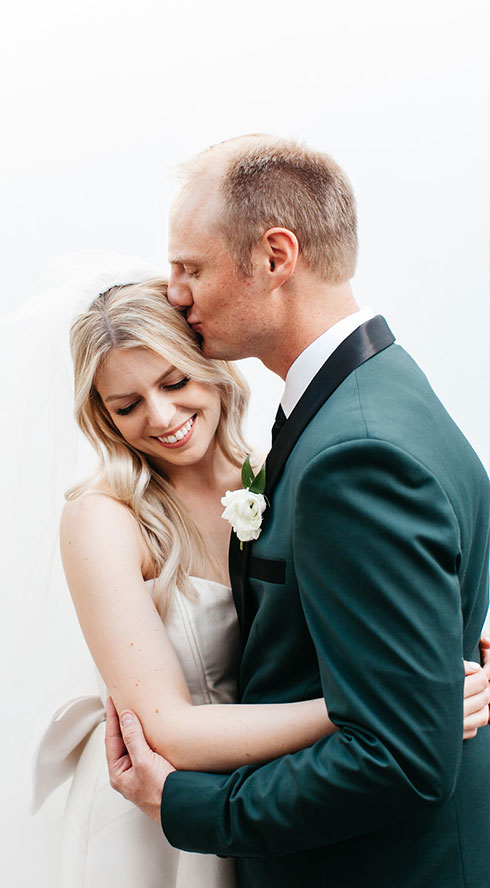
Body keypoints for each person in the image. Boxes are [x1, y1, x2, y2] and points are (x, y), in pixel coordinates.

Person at [105, 136, 490, 887]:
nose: (173, 292)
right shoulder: (378, 391)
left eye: (190, 267)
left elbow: (399, 756)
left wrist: (187, 803)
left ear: (275, 257)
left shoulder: (356, 452)